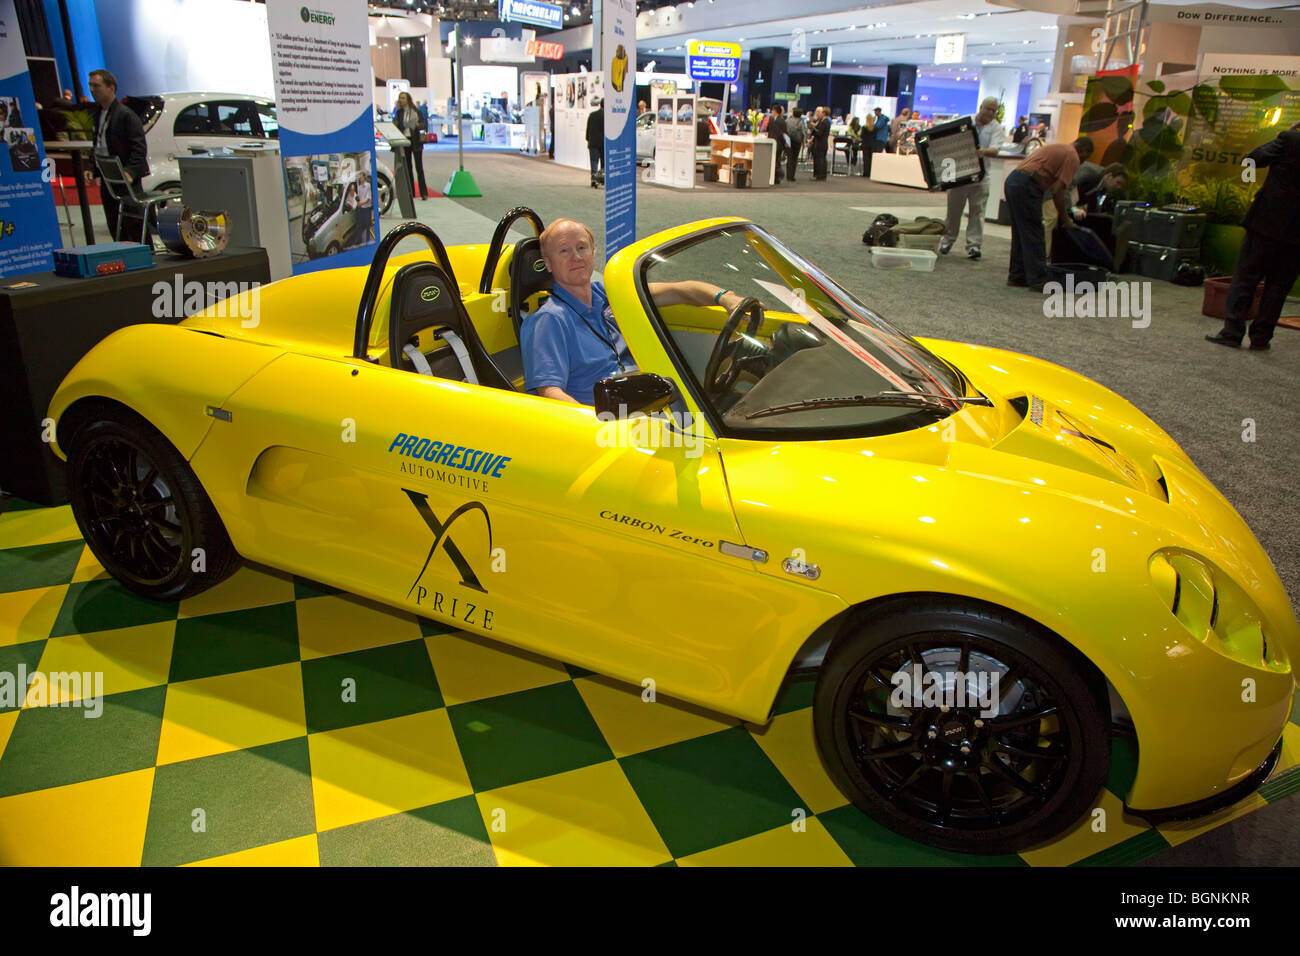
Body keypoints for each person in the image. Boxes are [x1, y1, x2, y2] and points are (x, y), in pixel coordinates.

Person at [522, 219, 747, 405]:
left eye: (582, 248)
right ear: (548, 264)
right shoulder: (549, 320)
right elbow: (550, 395)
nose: (576, 257)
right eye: (564, 251)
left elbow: (681, 291)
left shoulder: (609, 294)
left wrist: (726, 298)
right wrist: (593, 427)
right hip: (609, 425)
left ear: (593, 252)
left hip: (650, 402)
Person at [1206, 121, 1300, 350]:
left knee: (1246, 278)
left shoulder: (1290, 140)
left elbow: (1252, 159)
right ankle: (1261, 337)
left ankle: (1232, 332)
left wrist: (1249, 179)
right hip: (1297, 234)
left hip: (1266, 223)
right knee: (1279, 287)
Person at [1004, 136, 1093, 291]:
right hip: (1027, 185)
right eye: (1087, 156)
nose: (1085, 161)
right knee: (1034, 232)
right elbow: (1058, 190)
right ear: (1084, 151)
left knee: (1021, 233)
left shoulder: (1059, 148)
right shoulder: (1072, 156)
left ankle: (1017, 275)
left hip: (1013, 181)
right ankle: (1038, 279)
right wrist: (1065, 219)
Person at [939, 97, 1006, 261]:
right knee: (953, 212)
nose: (991, 113)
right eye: (988, 109)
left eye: (994, 110)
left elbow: (995, 150)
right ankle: (947, 242)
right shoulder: (965, 120)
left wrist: (982, 152)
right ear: (981, 107)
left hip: (982, 177)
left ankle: (974, 246)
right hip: (959, 175)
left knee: (977, 212)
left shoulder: (996, 128)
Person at [88, 69, 150, 242]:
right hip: (108, 174)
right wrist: (93, 169)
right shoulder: (98, 113)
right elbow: (98, 143)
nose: (92, 90)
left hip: (125, 175)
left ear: (111, 88)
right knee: (113, 219)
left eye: (97, 86)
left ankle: (146, 253)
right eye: (90, 86)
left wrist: (130, 171)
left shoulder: (126, 115)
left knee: (133, 220)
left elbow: (139, 148)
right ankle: (122, 253)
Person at [393, 91, 428, 200]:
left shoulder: (416, 111)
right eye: (400, 98)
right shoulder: (399, 112)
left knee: (419, 167)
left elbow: (424, 124)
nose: (401, 100)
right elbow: (397, 124)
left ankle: (423, 192)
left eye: (403, 98)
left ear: (408, 99)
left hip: (416, 140)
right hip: (405, 140)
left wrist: (417, 125)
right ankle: (411, 192)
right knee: (408, 167)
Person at [768, 104, 789, 184]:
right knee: (774, 161)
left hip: (778, 144)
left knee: (776, 161)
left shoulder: (781, 121)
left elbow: (783, 133)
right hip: (772, 142)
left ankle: (777, 178)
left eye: (772, 111)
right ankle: (774, 177)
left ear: (775, 111)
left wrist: (785, 143)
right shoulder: (772, 119)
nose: (771, 112)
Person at [585, 96, 604, 188]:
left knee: (594, 162)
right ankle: (603, 179)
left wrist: (588, 139)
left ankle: (593, 180)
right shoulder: (608, 117)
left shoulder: (592, 115)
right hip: (604, 143)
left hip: (593, 143)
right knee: (604, 162)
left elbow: (588, 129)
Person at [810, 106, 831, 181]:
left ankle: (820, 175)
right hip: (822, 143)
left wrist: (814, 129)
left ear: (824, 113)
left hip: (821, 143)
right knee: (821, 159)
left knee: (821, 159)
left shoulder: (824, 122)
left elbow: (819, 133)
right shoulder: (825, 121)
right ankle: (820, 175)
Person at [785, 107, 805, 182]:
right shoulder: (801, 122)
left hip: (789, 141)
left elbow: (785, 131)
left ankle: (788, 175)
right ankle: (792, 176)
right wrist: (804, 142)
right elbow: (803, 132)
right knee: (794, 158)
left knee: (789, 158)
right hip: (797, 141)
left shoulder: (788, 120)